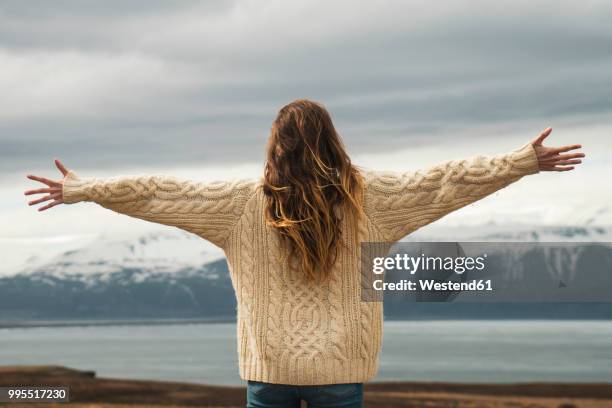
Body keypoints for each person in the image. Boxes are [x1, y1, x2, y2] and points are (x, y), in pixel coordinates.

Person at [24, 99, 584, 408]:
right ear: (332, 141)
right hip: (342, 372)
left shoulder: (238, 205)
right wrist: (521, 162)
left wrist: (86, 188)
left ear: (274, 145)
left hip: (269, 373)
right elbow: (444, 182)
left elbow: (159, 192)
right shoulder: (374, 200)